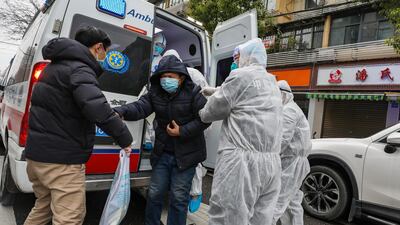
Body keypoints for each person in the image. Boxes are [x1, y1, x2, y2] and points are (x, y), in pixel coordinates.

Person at [24, 26, 133, 225]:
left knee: (43, 207)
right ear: (98, 47)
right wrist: (125, 138)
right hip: (61, 161)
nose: (105, 57)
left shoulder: (54, 67)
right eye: (105, 52)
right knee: (69, 218)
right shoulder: (80, 69)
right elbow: (97, 108)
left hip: (37, 157)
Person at [113, 55, 210, 225]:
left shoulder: (194, 92)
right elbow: (140, 107)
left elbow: (205, 118)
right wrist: (120, 111)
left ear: (181, 78)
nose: (166, 80)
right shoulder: (156, 92)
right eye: (163, 77)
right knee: (154, 194)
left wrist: (182, 131)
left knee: (179, 199)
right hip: (163, 153)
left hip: (187, 156)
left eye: (170, 77)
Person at [199, 38, 283, 225]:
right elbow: (246, 98)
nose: (234, 62)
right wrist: (216, 90)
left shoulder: (239, 76)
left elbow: (210, 113)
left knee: (227, 216)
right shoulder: (272, 82)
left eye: (237, 57)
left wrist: (200, 109)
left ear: (247, 57)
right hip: (271, 165)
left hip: (241, 164)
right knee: (260, 218)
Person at [163, 49, 208, 213]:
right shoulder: (163, 74)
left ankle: (196, 193)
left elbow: (205, 100)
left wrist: (191, 126)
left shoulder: (194, 74)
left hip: (192, 122)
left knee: (192, 159)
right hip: (173, 123)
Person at [272, 80, 312, 225]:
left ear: (283, 95)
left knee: (278, 200)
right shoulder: (292, 108)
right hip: (294, 161)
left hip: (292, 163)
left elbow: (283, 139)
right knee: (292, 201)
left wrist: (270, 157)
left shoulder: (289, 110)